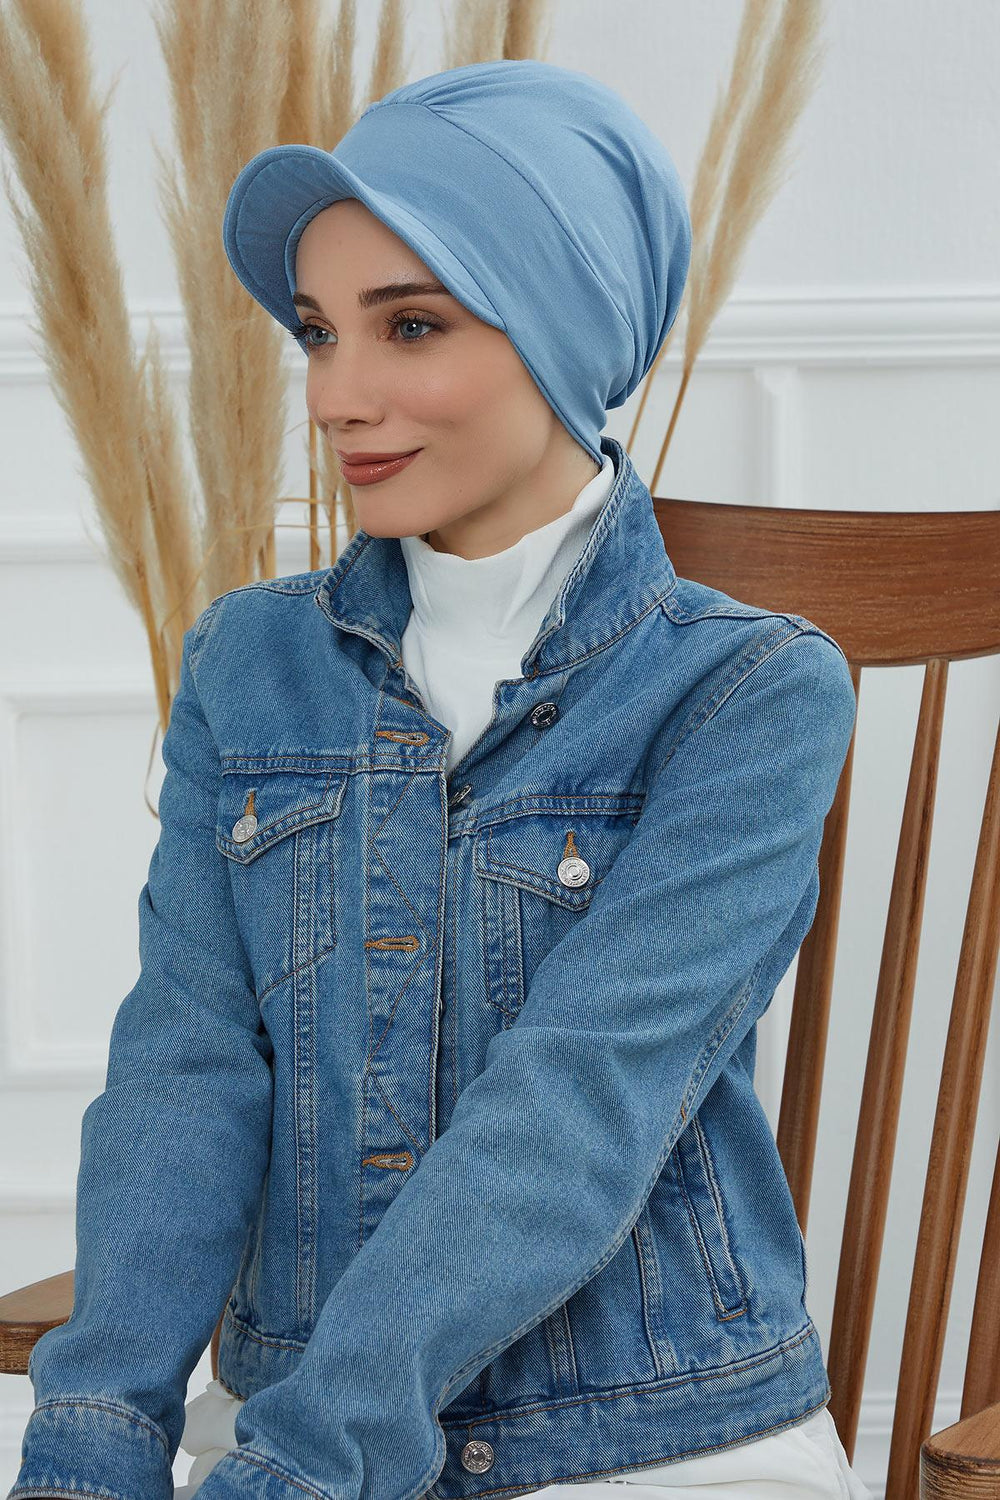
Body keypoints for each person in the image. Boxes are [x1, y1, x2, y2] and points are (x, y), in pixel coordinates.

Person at [10, 60, 872, 1500]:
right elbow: (185, 1072)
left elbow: (578, 1107)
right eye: (316, 333)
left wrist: (300, 1472)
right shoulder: (248, 663)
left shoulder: (749, 693)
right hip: (284, 1432)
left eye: (409, 325)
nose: (337, 396)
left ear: (562, 331)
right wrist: (93, 1441)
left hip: (648, 1442)